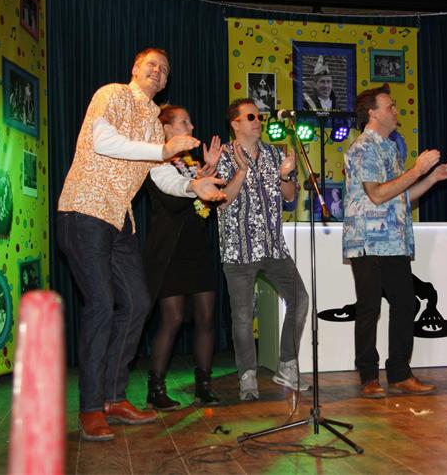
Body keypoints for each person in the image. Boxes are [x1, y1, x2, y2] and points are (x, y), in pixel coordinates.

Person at [57, 48, 225, 441]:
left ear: (166, 82)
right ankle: (90, 407)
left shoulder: (153, 120)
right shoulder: (112, 94)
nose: (158, 71)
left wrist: (193, 186)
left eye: (164, 69)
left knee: (137, 302)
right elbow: (103, 141)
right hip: (84, 209)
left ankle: (114, 397)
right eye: (152, 64)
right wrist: (163, 150)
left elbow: (160, 176)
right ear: (135, 68)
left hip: (120, 220)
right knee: (101, 304)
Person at [343, 83, 447, 399]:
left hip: (394, 241)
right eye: (390, 106)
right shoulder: (362, 148)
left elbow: (401, 195)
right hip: (368, 240)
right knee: (369, 307)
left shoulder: (391, 148)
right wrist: (417, 169)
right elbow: (377, 194)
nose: (396, 111)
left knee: (405, 303)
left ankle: (399, 373)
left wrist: (432, 177)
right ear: (372, 113)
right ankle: (369, 376)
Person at [216, 98, 310, 401]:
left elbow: (289, 197)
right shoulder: (223, 156)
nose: (258, 121)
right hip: (239, 248)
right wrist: (241, 172)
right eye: (251, 117)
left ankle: (287, 366)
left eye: (259, 116)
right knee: (243, 315)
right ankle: (247, 376)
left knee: (300, 299)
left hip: (273, 246)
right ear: (235, 123)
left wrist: (286, 174)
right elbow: (222, 201)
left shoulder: (274, 153)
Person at [143, 105, 224, 410]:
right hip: (170, 251)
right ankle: (155, 388)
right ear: (166, 129)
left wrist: (208, 172)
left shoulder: (191, 162)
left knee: (206, 316)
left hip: (197, 247)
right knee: (173, 319)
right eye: (184, 122)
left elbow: (206, 206)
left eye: (190, 121)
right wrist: (198, 182)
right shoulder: (156, 161)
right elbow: (174, 203)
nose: (191, 127)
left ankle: (204, 385)